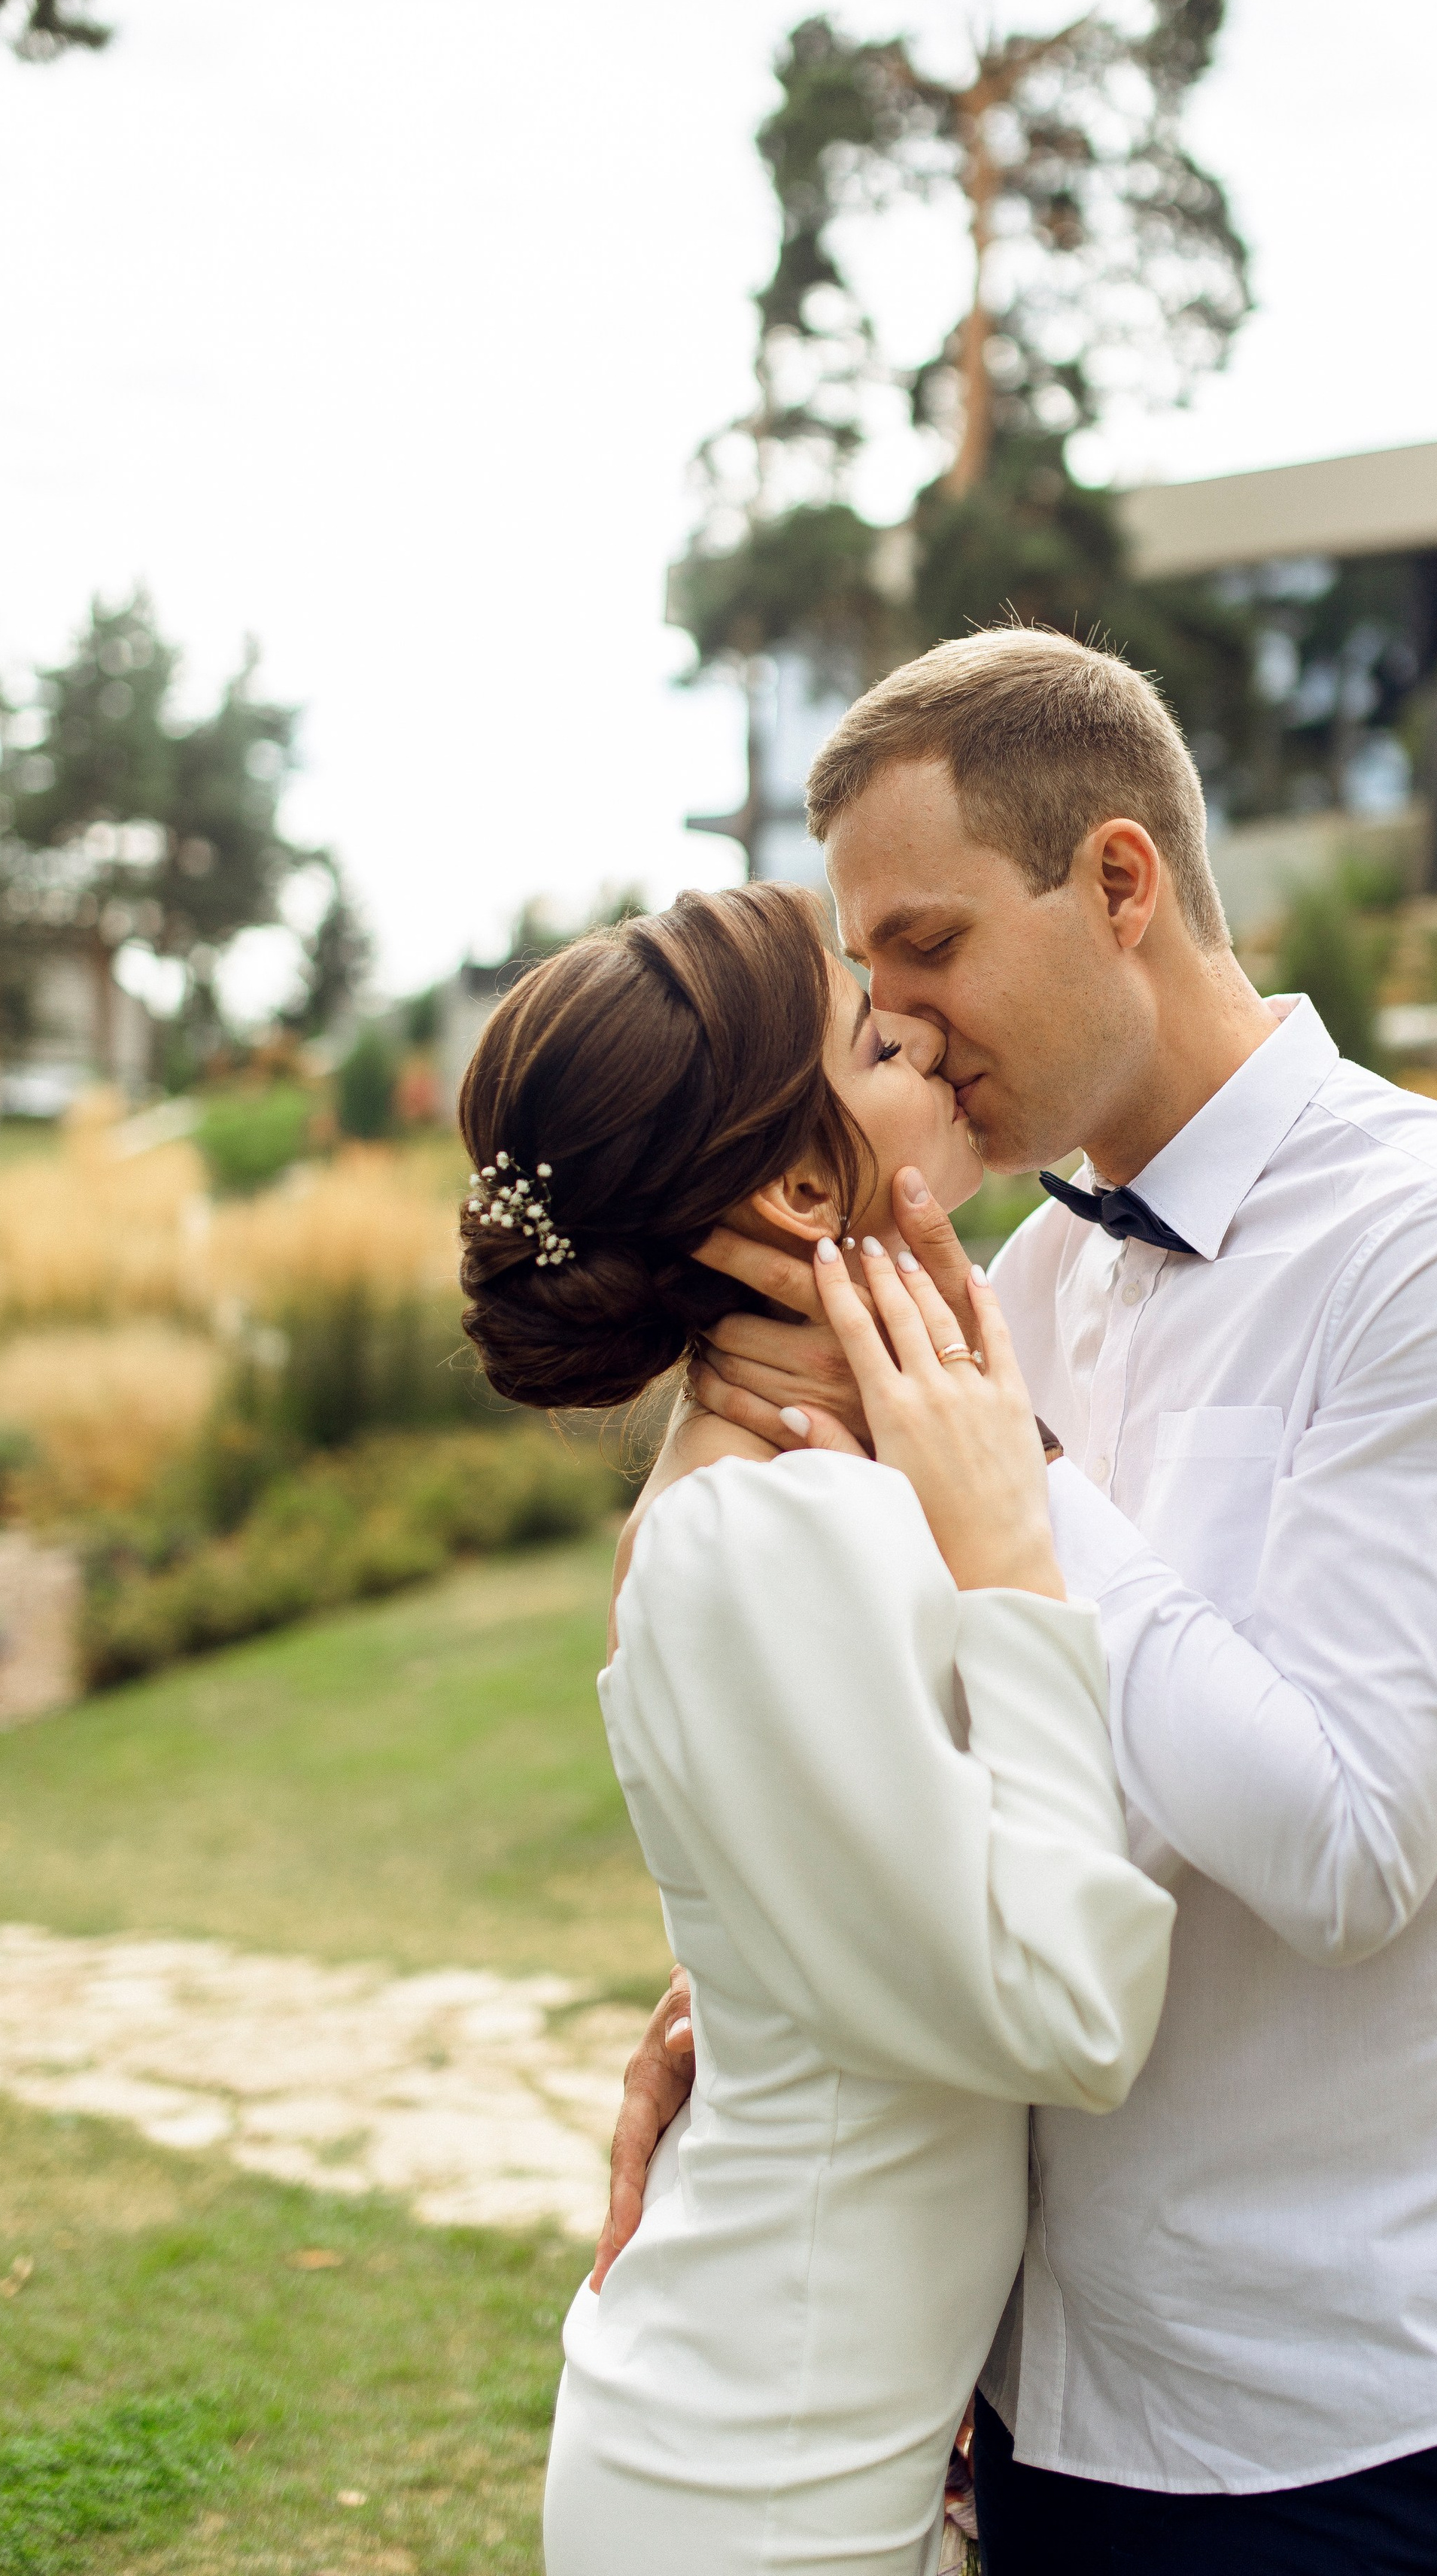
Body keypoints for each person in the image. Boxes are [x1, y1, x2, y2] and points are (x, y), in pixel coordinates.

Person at [621, 630, 1437, 2576]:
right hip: (1041, 2412)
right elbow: (959, 1781)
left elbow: (1345, 1848)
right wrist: (748, 1999)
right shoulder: (1015, 1288)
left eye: (928, 944)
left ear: (1115, 882)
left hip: (1376, 2434)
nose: (897, 1020)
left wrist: (1018, 1481)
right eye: (867, 975)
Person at [454, 882, 1176, 2576]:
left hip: (795, 2452)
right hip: (763, 2494)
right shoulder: (771, 1528)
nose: (922, 1029)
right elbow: (1069, 2011)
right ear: (793, 1193)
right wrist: (1012, 1562)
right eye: (875, 1038)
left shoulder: (782, 1493)